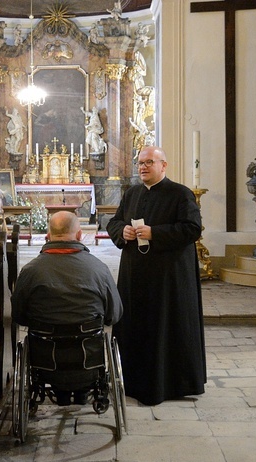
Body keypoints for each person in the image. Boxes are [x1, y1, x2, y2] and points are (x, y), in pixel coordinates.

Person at [106, 145, 206, 405]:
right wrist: (123, 231)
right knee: (136, 327)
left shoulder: (181, 194)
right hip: (134, 276)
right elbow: (114, 222)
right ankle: (131, 380)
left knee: (163, 328)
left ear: (164, 165)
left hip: (168, 279)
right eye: (140, 162)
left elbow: (192, 229)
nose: (143, 167)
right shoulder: (132, 194)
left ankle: (169, 384)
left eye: (150, 162)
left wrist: (155, 234)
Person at [12, 211, 122, 405]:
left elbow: (19, 315)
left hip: (45, 361)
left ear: (48, 236)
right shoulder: (99, 269)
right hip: (88, 357)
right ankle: (83, 389)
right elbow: (114, 314)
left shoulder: (30, 270)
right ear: (79, 235)